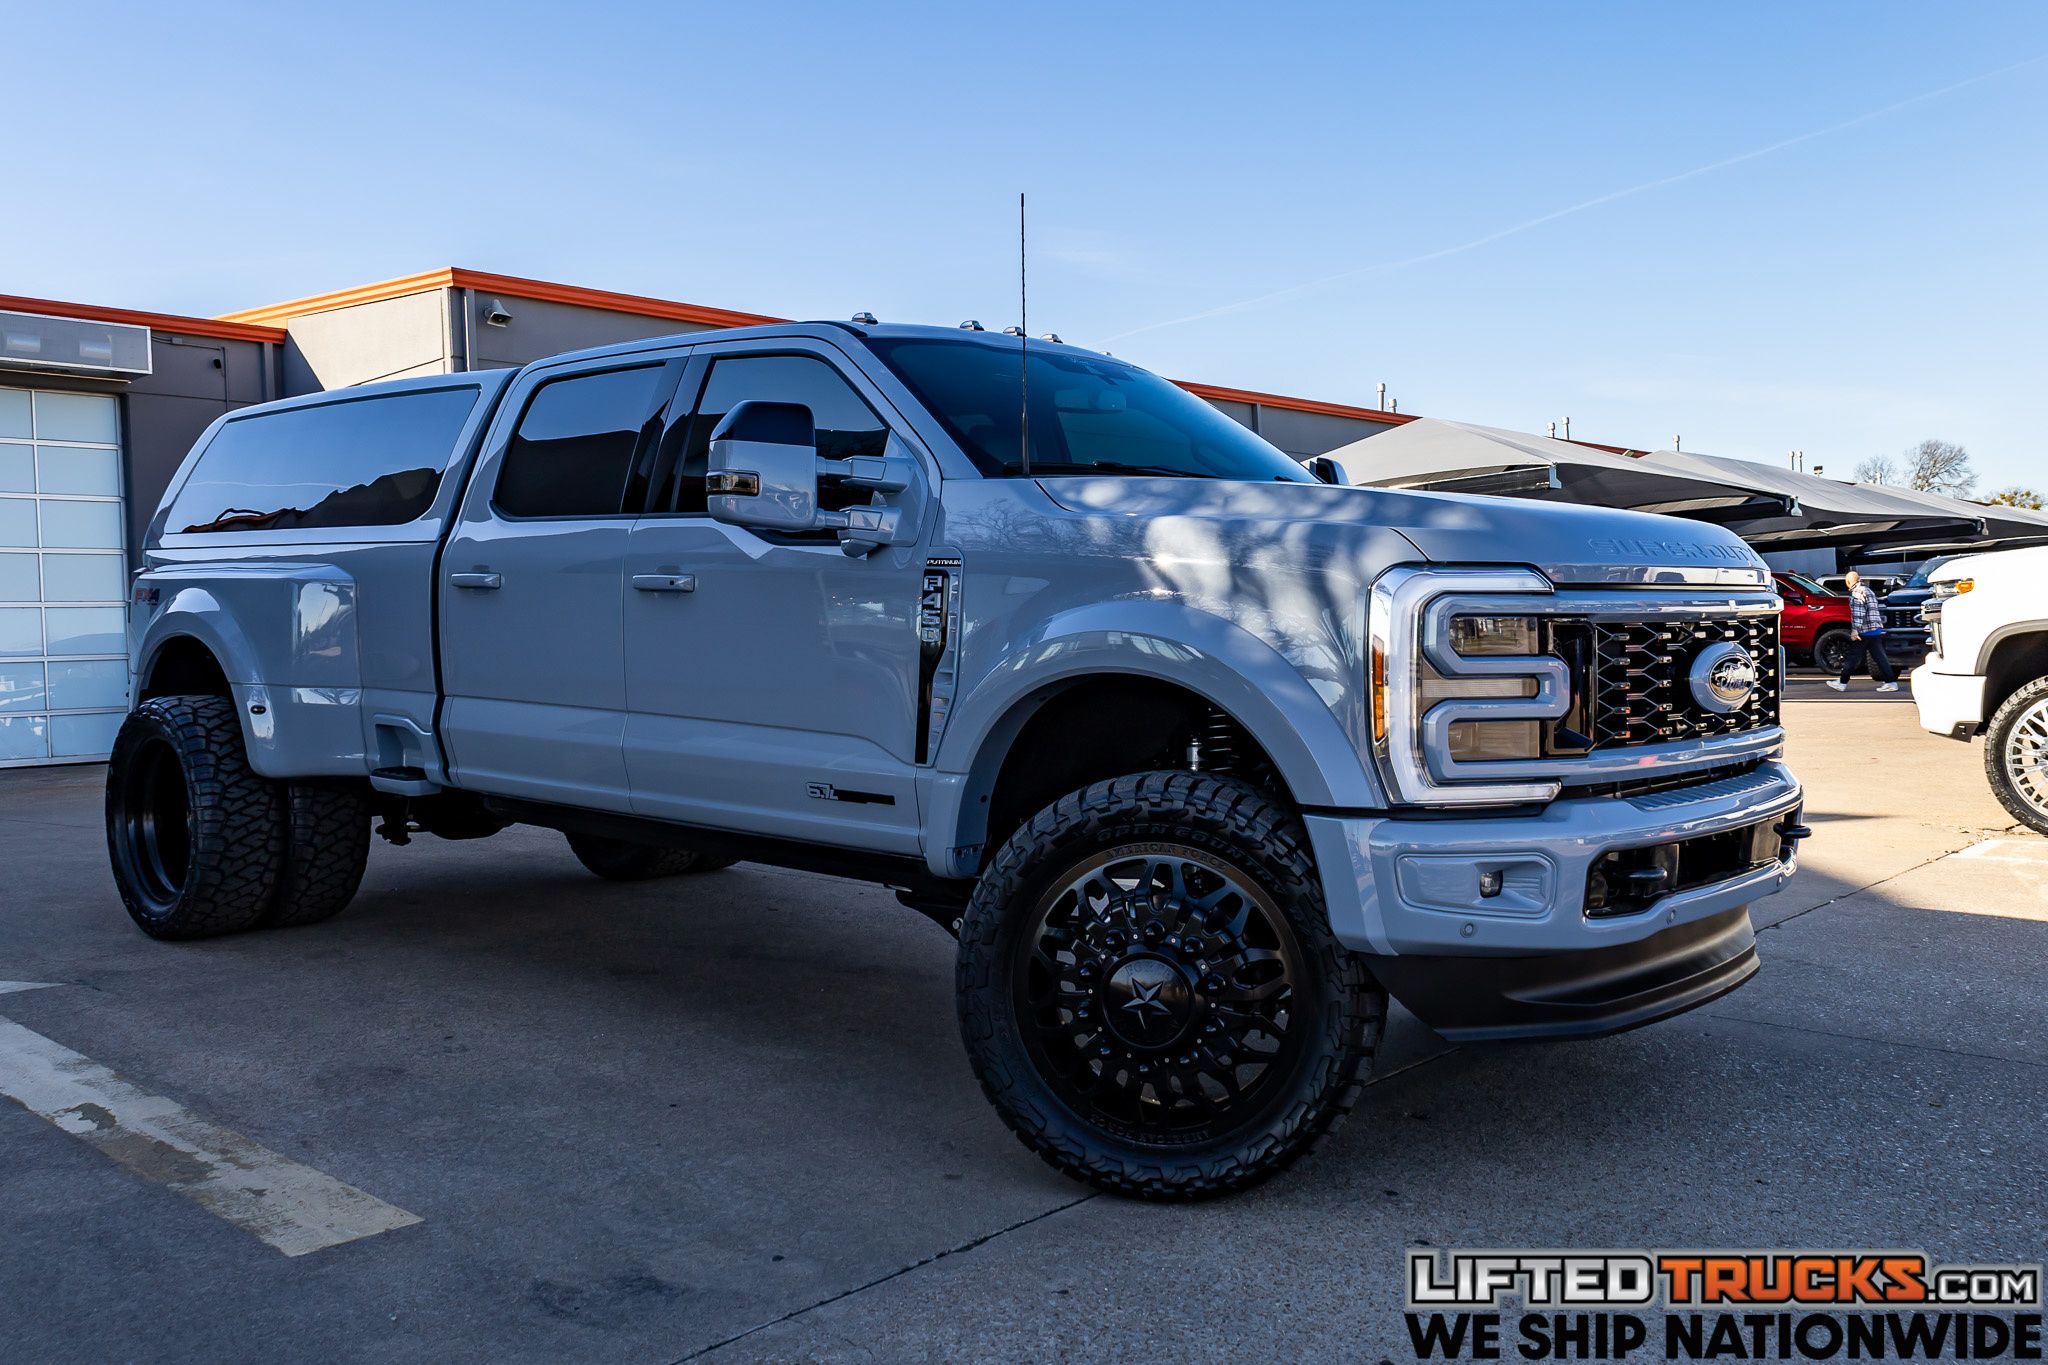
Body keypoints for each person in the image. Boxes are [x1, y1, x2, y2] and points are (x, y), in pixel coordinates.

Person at [1826, 569, 1899, 692]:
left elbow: (1858, 614)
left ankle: (1842, 682)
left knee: (1852, 657)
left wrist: (1855, 630)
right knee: (1880, 658)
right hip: (1875, 629)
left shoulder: (1857, 592)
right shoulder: (1868, 590)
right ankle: (1891, 682)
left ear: (1849, 582)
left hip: (1864, 631)